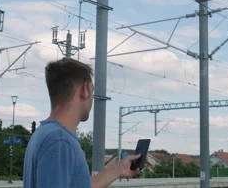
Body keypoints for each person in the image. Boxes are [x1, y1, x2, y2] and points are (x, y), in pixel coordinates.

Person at [23, 57, 141, 188]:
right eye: (93, 91)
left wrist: (117, 169)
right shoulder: (61, 141)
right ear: (85, 90)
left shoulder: (44, 133)